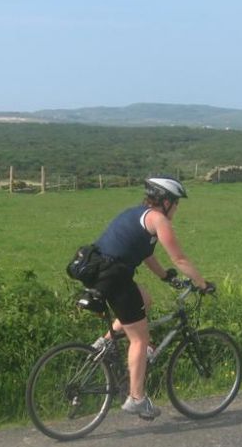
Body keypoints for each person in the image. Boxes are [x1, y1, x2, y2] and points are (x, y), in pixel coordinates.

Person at [89, 176, 213, 420]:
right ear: (165, 202)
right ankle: (136, 398)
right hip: (116, 278)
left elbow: (145, 255)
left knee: (144, 298)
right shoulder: (158, 220)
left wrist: (166, 276)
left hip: (99, 272)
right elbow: (180, 259)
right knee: (140, 339)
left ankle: (105, 342)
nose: (177, 208)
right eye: (176, 203)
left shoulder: (137, 213)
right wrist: (202, 284)